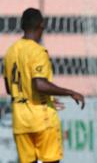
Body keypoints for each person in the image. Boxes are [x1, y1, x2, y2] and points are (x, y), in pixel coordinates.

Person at [2, 8, 85, 163]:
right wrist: (70, 92)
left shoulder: (10, 52)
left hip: (20, 121)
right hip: (42, 119)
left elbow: (9, 88)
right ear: (41, 26)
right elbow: (39, 84)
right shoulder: (37, 51)